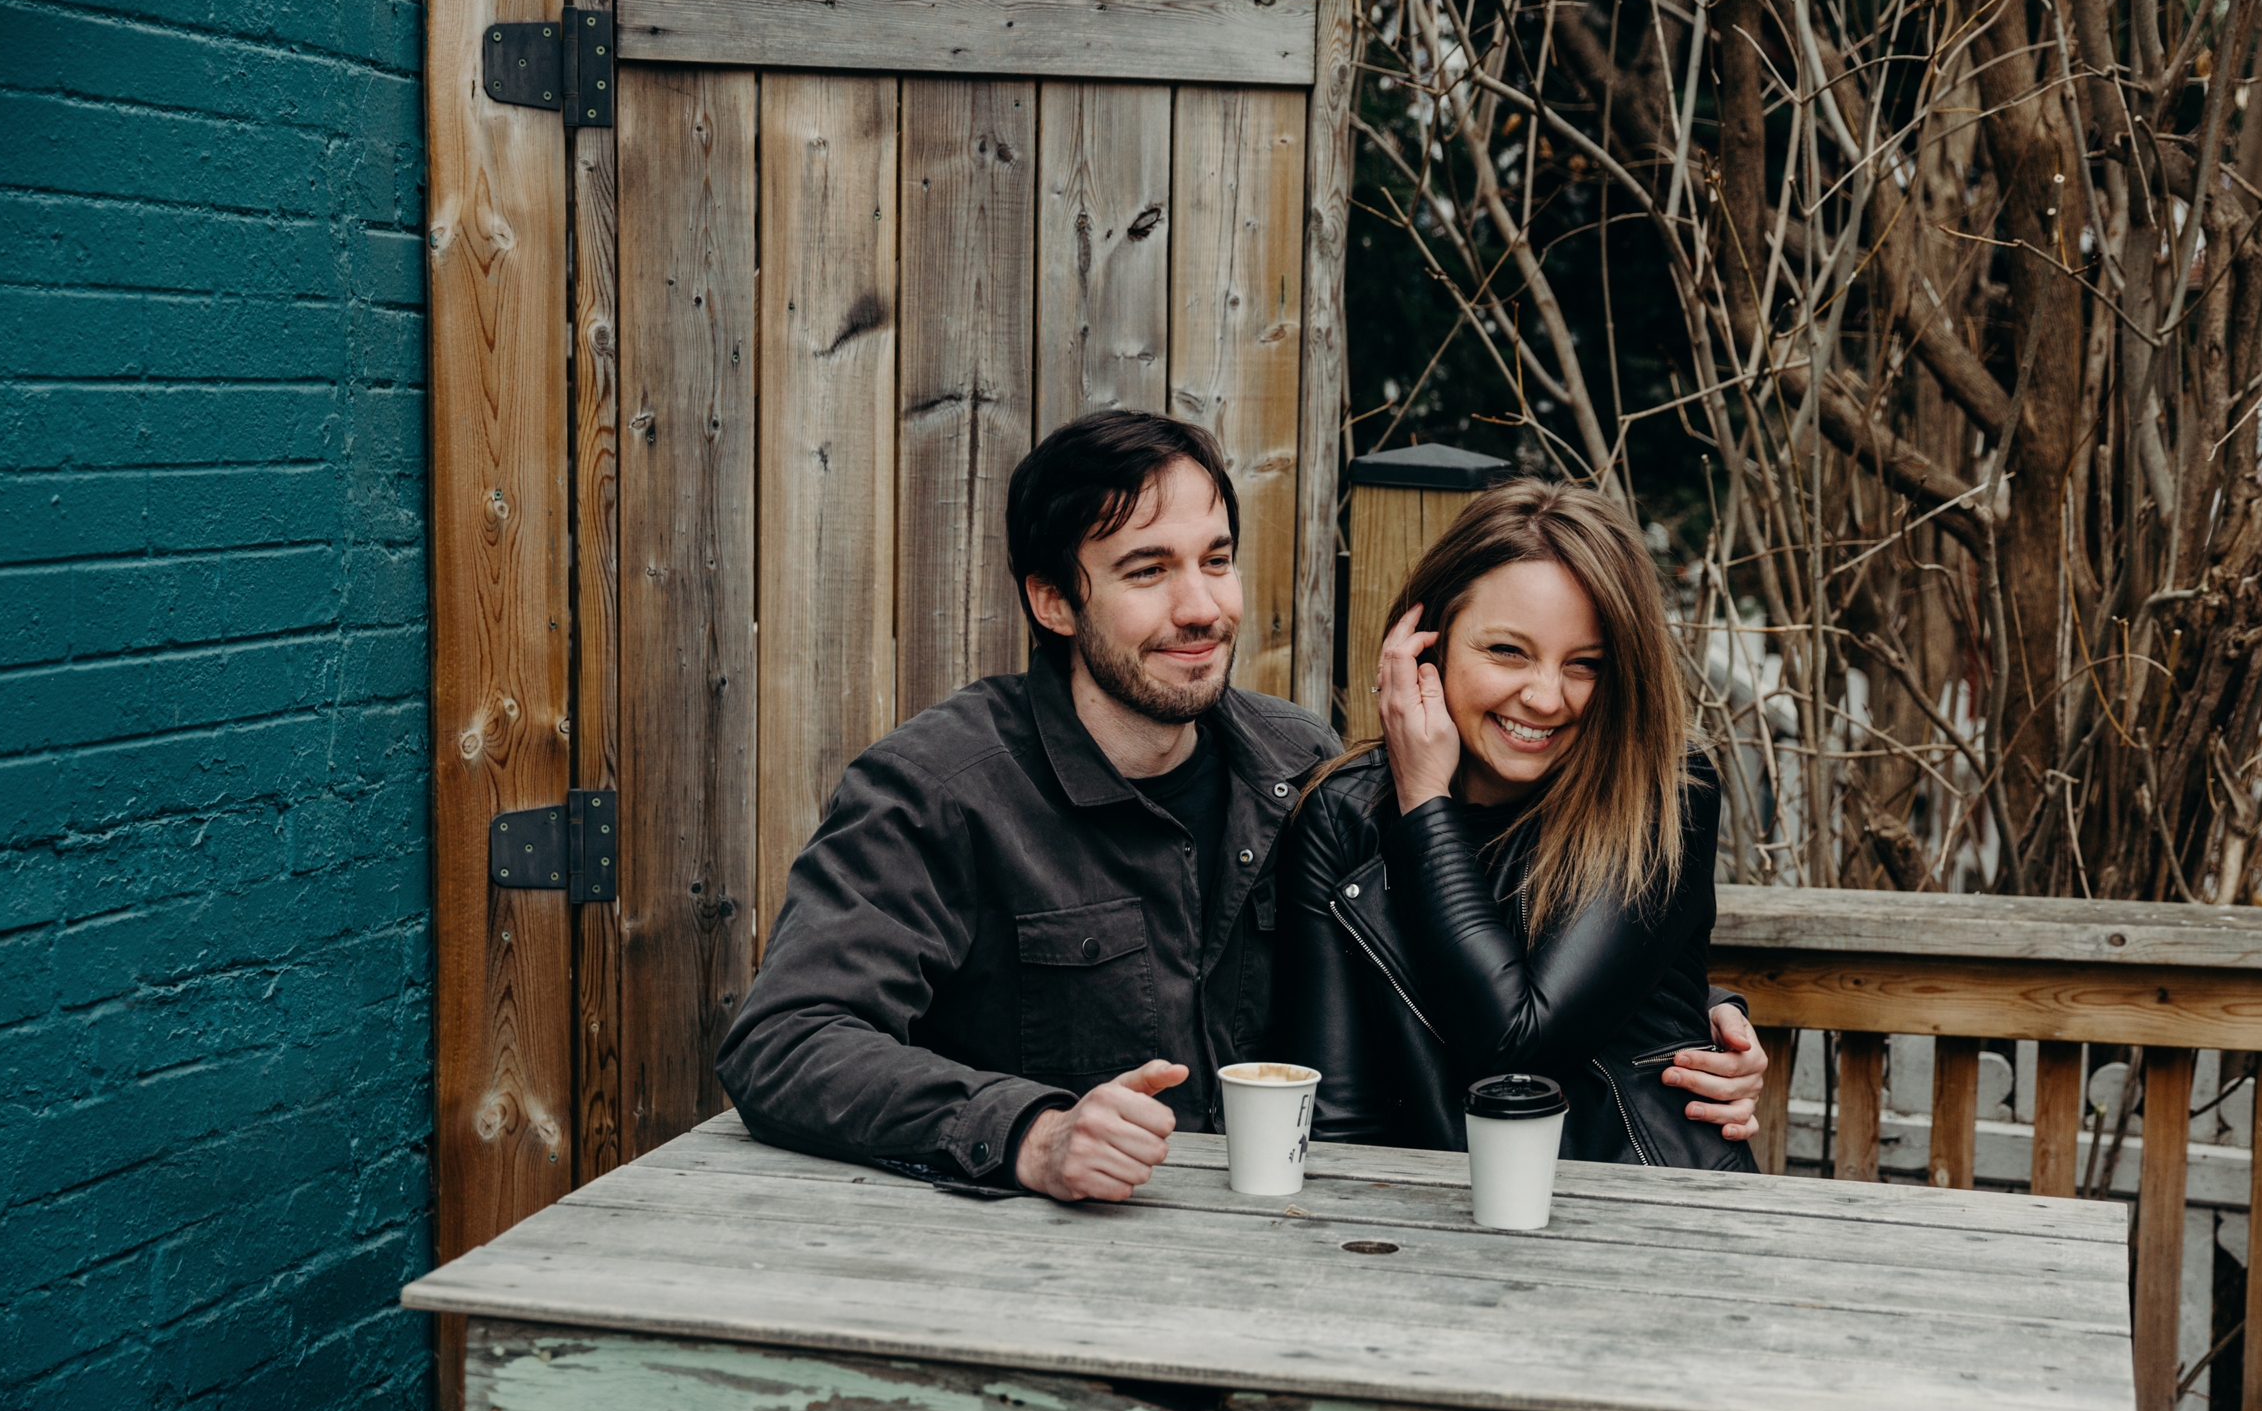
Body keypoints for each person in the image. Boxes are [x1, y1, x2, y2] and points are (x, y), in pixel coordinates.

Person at [718, 409, 1767, 1203]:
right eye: (1147, 569)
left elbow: (1483, 947)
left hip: (1296, 1250)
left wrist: (1676, 1017)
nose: (1201, 606)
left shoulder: (1300, 768)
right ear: (1051, 597)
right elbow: (788, 1040)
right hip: (1052, 1280)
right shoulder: (944, 790)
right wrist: (1028, 1132)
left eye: (1216, 560)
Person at [1272, 477, 1757, 1170]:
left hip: (1644, 1212)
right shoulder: (1342, 813)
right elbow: (1335, 1116)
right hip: (1430, 1225)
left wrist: (1423, 802)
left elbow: (1521, 1049)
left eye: (1585, 664)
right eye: (1507, 651)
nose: (1546, 697)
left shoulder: (1661, 790)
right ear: (1426, 644)